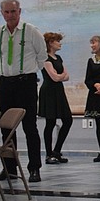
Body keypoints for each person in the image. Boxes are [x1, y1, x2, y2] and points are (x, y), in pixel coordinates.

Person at [0, 0, 48, 183]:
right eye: (6, 12)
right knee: (6, 128)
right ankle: (9, 169)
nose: (10, 15)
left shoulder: (30, 31)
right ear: (1, 13)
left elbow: (42, 55)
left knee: (29, 126)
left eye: (13, 12)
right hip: (5, 83)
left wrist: (29, 74)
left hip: (26, 83)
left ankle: (34, 168)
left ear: (19, 11)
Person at [38, 32, 73, 164]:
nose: (60, 43)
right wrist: (61, 76)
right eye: (57, 41)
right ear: (51, 43)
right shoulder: (45, 59)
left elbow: (66, 76)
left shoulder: (58, 58)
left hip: (59, 91)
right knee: (50, 122)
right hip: (49, 92)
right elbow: (55, 77)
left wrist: (61, 76)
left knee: (68, 120)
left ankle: (57, 151)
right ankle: (48, 154)